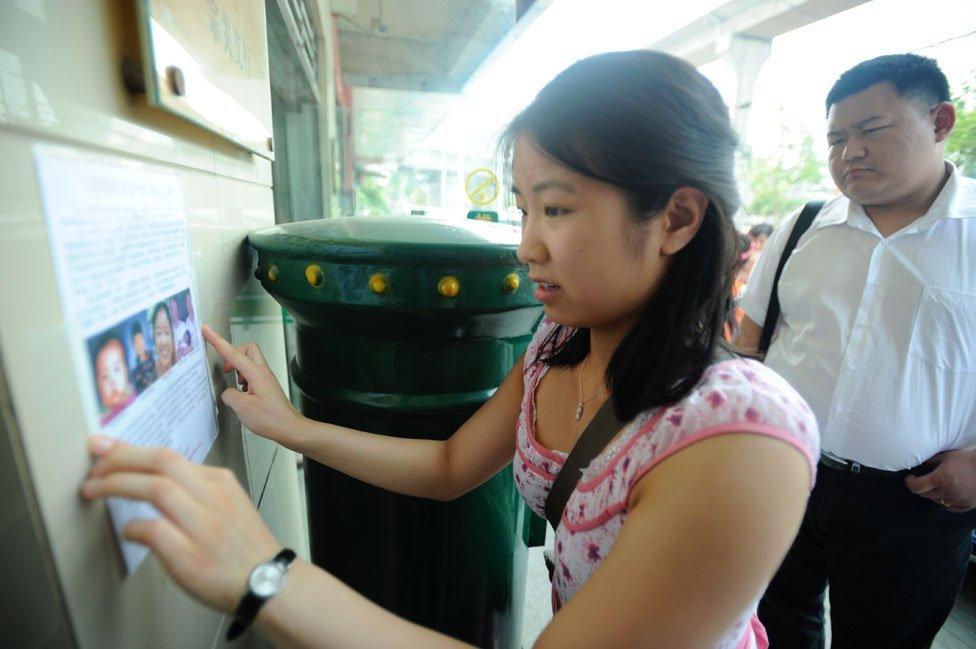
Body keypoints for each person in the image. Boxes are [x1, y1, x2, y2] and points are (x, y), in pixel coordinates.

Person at [81, 50, 819, 648]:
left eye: (556, 208)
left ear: (677, 217)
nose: (528, 245)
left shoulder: (740, 440)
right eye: (523, 207)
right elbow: (449, 465)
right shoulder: (561, 341)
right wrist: (291, 425)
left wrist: (266, 574)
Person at [737, 53, 976, 648]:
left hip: (914, 504)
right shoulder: (803, 227)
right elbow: (747, 342)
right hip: (783, 470)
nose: (851, 152)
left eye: (871, 130)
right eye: (837, 138)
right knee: (773, 624)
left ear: (940, 120)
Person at [92, 333, 135, 424]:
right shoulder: (102, 419)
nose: (112, 381)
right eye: (105, 376)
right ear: (98, 386)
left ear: (126, 370)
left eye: (116, 369)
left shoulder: (133, 394)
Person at [130, 322, 157, 393]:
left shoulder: (156, 357)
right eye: (135, 342)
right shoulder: (134, 374)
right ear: (133, 346)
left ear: (144, 340)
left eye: (140, 339)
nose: (139, 345)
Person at [151, 301, 176, 377]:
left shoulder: (181, 363)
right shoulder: (151, 375)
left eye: (167, 332)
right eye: (158, 333)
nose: (164, 341)